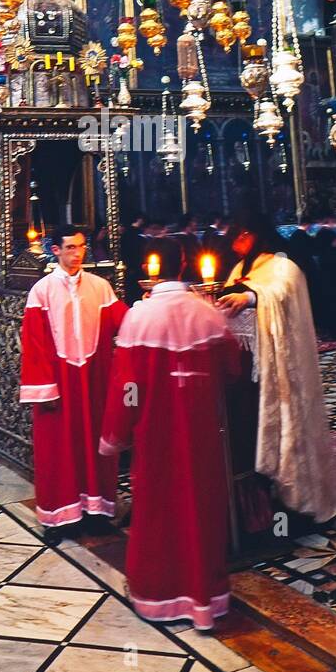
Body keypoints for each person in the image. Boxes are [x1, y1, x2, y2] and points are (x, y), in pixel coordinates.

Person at [102, 239, 240, 629]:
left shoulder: (139, 317)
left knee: (159, 508)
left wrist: (115, 435)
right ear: (184, 265)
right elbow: (232, 367)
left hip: (155, 434)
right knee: (201, 507)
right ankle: (205, 600)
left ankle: (160, 596)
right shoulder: (206, 312)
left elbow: (126, 387)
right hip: (202, 435)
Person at [218, 205, 336, 523]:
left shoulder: (282, 266)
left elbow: (281, 292)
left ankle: (297, 495)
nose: (234, 244)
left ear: (251, 235)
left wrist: (250, 298)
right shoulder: (239, 269)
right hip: (248, 371)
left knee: (286, 426)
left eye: (239, 236)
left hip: (281, 370)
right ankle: (259, 497)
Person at [19, 223, 128, 544]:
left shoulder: (100, 286)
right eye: (70, 248)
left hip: (93, 378)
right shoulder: (41, 290)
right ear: (56, 250)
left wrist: (151, 307)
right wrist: (44, 388)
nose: (77, 253)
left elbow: (124, 321)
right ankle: (59, 519)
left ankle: (96, 514)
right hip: (59, 382)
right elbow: (34, 344)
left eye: (81, 247)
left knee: (96, 446)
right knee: (58, 450)